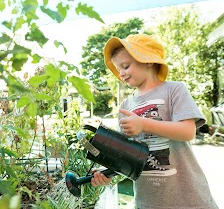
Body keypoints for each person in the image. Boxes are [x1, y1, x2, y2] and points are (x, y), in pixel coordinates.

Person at [91, 34, 219, 209]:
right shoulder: (126, 106)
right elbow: (126, 157)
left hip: (188, 199)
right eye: (118, 69)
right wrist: (107, 173)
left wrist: (144, 124)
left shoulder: (174, 90)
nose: (121, 74)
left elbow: (188, 131)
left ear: (148, 60)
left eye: (125, 66)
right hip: (148, 202)